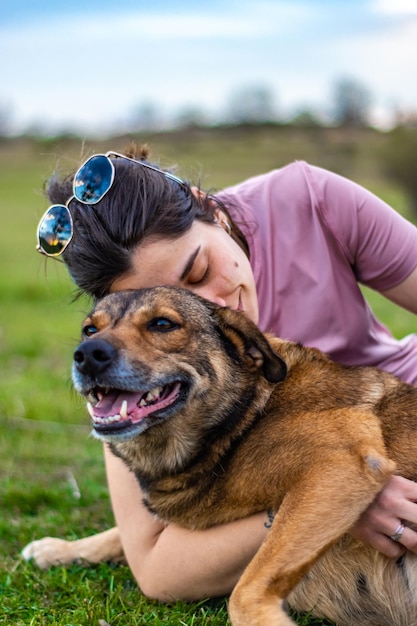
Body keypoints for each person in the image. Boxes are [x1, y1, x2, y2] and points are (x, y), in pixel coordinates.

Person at [36, 144, 417, 603]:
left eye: (198, 271)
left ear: (209, 208)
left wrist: (337, 481)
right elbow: (159, 570)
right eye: (163, 315)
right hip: (317, 458)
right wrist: (320, 499)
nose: (210, 312)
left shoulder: (307, 200)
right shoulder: (139, 369)